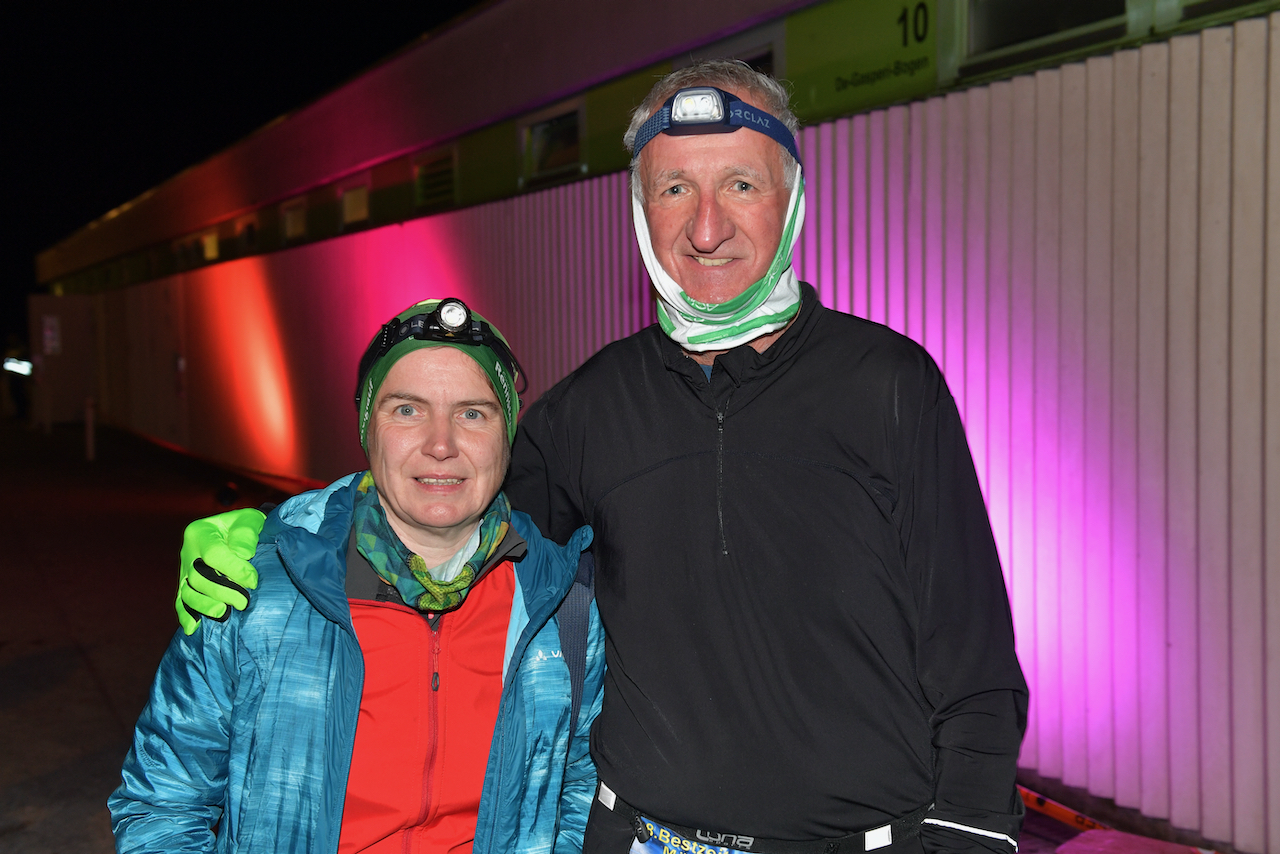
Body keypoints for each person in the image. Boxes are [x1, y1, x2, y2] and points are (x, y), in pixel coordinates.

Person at [176, 62, 1028, 854]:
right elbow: (440, 520)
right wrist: (278, 542)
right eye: (674, 189)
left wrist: (971, 831)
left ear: (792, 198)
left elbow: (975, 656)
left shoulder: (888, 384)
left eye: (740, 184)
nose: (705, 226)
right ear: (639, 209)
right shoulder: (591, 405)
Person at [111, 298, 603, 854]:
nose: (441, 444)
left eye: (472, 413)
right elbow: (163, 803)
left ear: (507, 435)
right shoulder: (256, 588)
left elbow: (579, 792)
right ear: (368, 427)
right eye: (407, 410)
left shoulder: (561, 606)